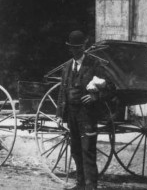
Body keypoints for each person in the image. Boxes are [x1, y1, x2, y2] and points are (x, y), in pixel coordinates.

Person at [56, 30, 112, 190]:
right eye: (72, 48)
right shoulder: (67, 67)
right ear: (69, 48)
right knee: (75, 150)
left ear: (83, 46)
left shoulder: (94, 64)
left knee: (88, 150)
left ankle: (90, 186)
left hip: (87, 115)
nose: (75, 51)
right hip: (71, 115)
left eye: (78, 47)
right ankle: (80, 184)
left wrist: (95, 97)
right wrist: (60, 114)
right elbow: (62, 91)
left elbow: (110, 87)